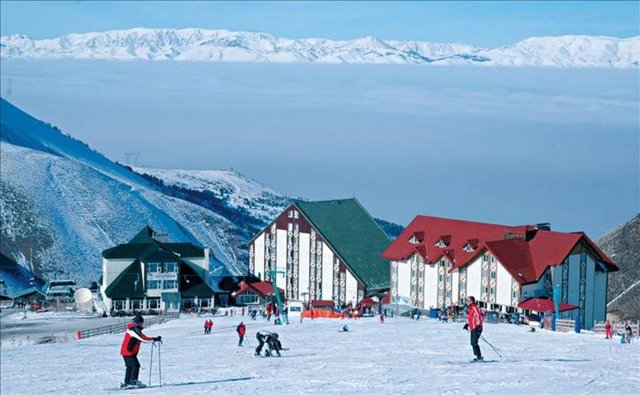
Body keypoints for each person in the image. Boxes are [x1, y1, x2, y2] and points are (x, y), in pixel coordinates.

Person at [120, 313, 161, 389]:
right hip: (128, 352)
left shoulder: (134, 329)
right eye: (141, 322)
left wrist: (154, 339)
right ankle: (133, 381)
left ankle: (127, 382)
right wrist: (154, 339)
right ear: (138, 322)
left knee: (130, 367)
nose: (142, 324)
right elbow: (143, 339)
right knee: (135, 365)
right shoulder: (133, 330)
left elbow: (142, 337)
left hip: (127, 352)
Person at [463, 296, 483, 362]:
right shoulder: (470, 308)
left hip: (477, 327)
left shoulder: (475, 307)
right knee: (472, 343)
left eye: (468, 301)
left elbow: (478, 317)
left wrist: (478, 325)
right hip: (473, 328)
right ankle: (477, 356)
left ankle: (479, 357)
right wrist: (467, 324)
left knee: (474, 342)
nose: (466, 302)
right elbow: (470, 318)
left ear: (471, 301)